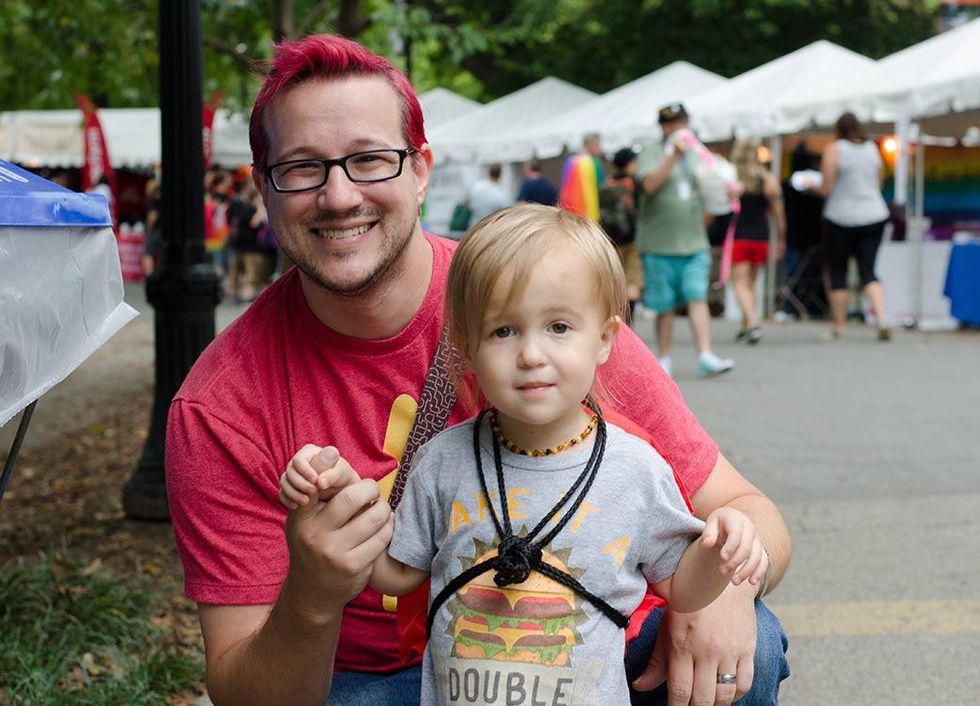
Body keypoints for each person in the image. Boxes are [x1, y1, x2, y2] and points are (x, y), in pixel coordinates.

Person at [165, 34, 790, 706]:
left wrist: (722, 587)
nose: (339, 196)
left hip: (596, 648)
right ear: (263, 188)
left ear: (421, 169)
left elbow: (751, 514)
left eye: (371, 160)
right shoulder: (220, 407)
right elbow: (246, 694)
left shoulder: (540, 300)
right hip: (382, 683)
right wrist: (314, 595)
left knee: (752, 640)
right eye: (302, 168)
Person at [280, 204, 769, 704]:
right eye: (503, 331)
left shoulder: (636, 469)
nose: (531, 354)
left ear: (604, 340)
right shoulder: (442, 460)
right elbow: (397, 573)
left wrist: (720, 551)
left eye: (559, 327)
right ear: (466, 350)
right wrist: (340, 501)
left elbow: (683, 589)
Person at [635, 103, 735, 378]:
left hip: (694, 241)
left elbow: (712, 190)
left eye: (684, 122)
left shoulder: (697, 154)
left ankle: (705, 354)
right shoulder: (651, 153)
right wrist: (672, 156)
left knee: (697, 297)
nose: (681, 128)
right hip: (658, 243)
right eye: (674, 124)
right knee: (664, 305)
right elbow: (650, 186)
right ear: (664, 127)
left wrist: (728, 188)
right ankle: (664, 357)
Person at [809, 112, 891, 340]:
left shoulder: (835, 150)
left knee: (838, 271)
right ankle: (882, 319)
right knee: (869, 271)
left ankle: (839, 326)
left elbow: (826, 188)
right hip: (874, 213)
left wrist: (809, 186)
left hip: (841, 216)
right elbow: (879, 181)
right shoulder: (872, 149)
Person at [728, 139, 786, 344]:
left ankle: (752, 323)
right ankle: (745, 325)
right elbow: (778, 212)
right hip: (761, 236)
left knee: (740, 284)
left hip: (740, 236)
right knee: (750, 284)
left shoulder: (733, 177)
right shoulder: (767, 179)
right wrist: (780, 238)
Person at [600, 147, 642, 320]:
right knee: (632, 280)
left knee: (616, 280)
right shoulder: (632, 183)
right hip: (632, 238)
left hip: (610, 238)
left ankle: (617, 319)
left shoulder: (606, 183)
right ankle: (628, 325)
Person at [559, 132, 605, 221]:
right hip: (590, 212)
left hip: (570, 213)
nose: (600, 148)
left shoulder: (570, 161)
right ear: (589, 145)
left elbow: (564, 188)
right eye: (597, 145)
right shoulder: (594, 162)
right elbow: (601, 187)